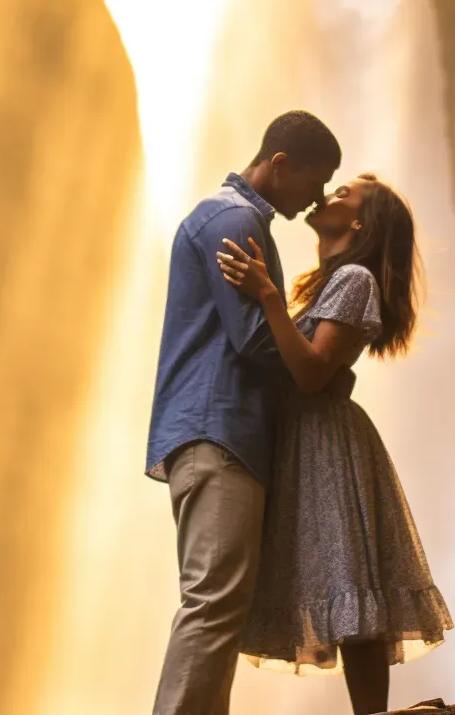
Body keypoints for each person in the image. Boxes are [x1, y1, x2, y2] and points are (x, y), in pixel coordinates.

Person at [215, 172, 453, 715]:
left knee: (350, 581)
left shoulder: (354, 279)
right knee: (341, 577)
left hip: (324, 443)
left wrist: (267, 296)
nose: (330, 194)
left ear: (360, 223)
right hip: (304, 439)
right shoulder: (329, 282)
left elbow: (312, 372)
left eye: (346, 193)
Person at [146, 110, 342, 715]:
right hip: (220, 430)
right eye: (316, 180)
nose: (320, 198)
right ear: (280, 164)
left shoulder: (229, 217)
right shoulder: (235, 221)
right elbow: (255, 340)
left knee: (222, 608)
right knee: (213, 603)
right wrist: (325, 352)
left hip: (215, 433)